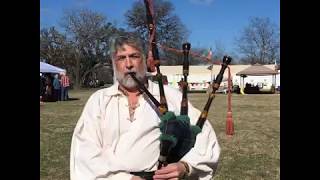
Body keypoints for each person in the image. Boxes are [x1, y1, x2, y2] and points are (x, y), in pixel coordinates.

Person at [70, 34, 220, 180]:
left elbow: (203, 135)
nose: (128, 64)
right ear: (114, 63)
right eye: (121, 58)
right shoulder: (99, 101)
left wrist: (185, 166)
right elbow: (85, 150)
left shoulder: (171, 96)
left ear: (145, 60)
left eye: (134, 56)